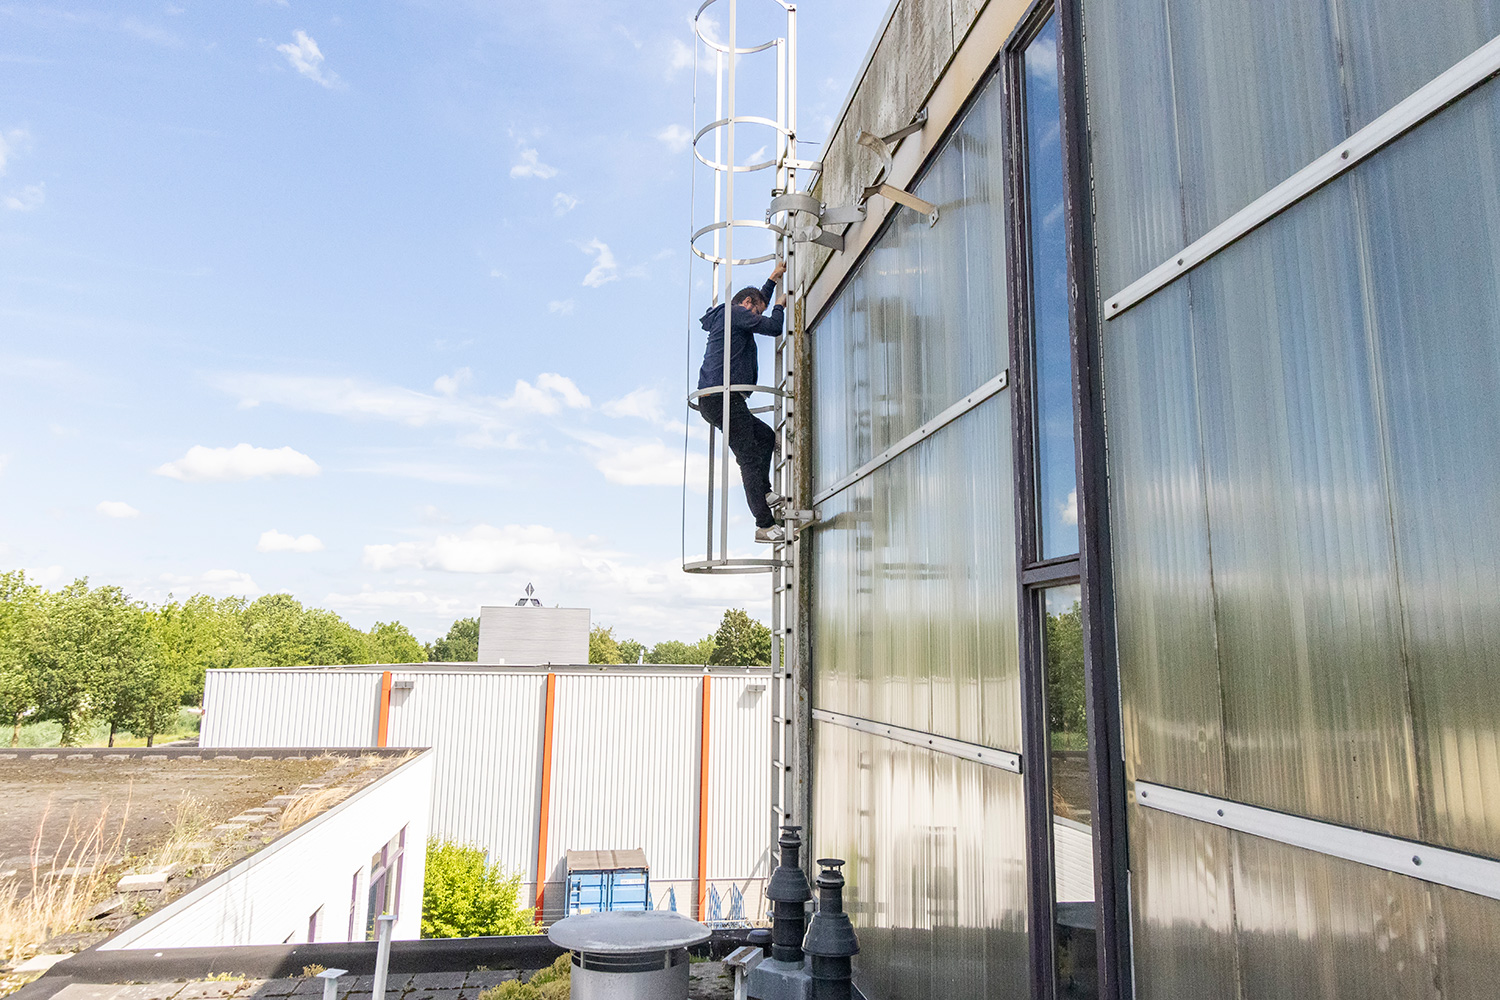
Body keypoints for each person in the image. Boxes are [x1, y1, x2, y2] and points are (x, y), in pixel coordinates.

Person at [696, 260, 787, 543]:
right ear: (746, 304)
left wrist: (773, 279)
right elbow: (773, 327)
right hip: (722, 398)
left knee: (765, 436)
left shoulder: (731, 314)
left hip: (720, 399)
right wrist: (779, 307)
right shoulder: (736, 313)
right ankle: (764, 525)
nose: (756, 318)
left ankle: (764, 491)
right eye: (755, 313)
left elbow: (757, 302)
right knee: (748, 457)